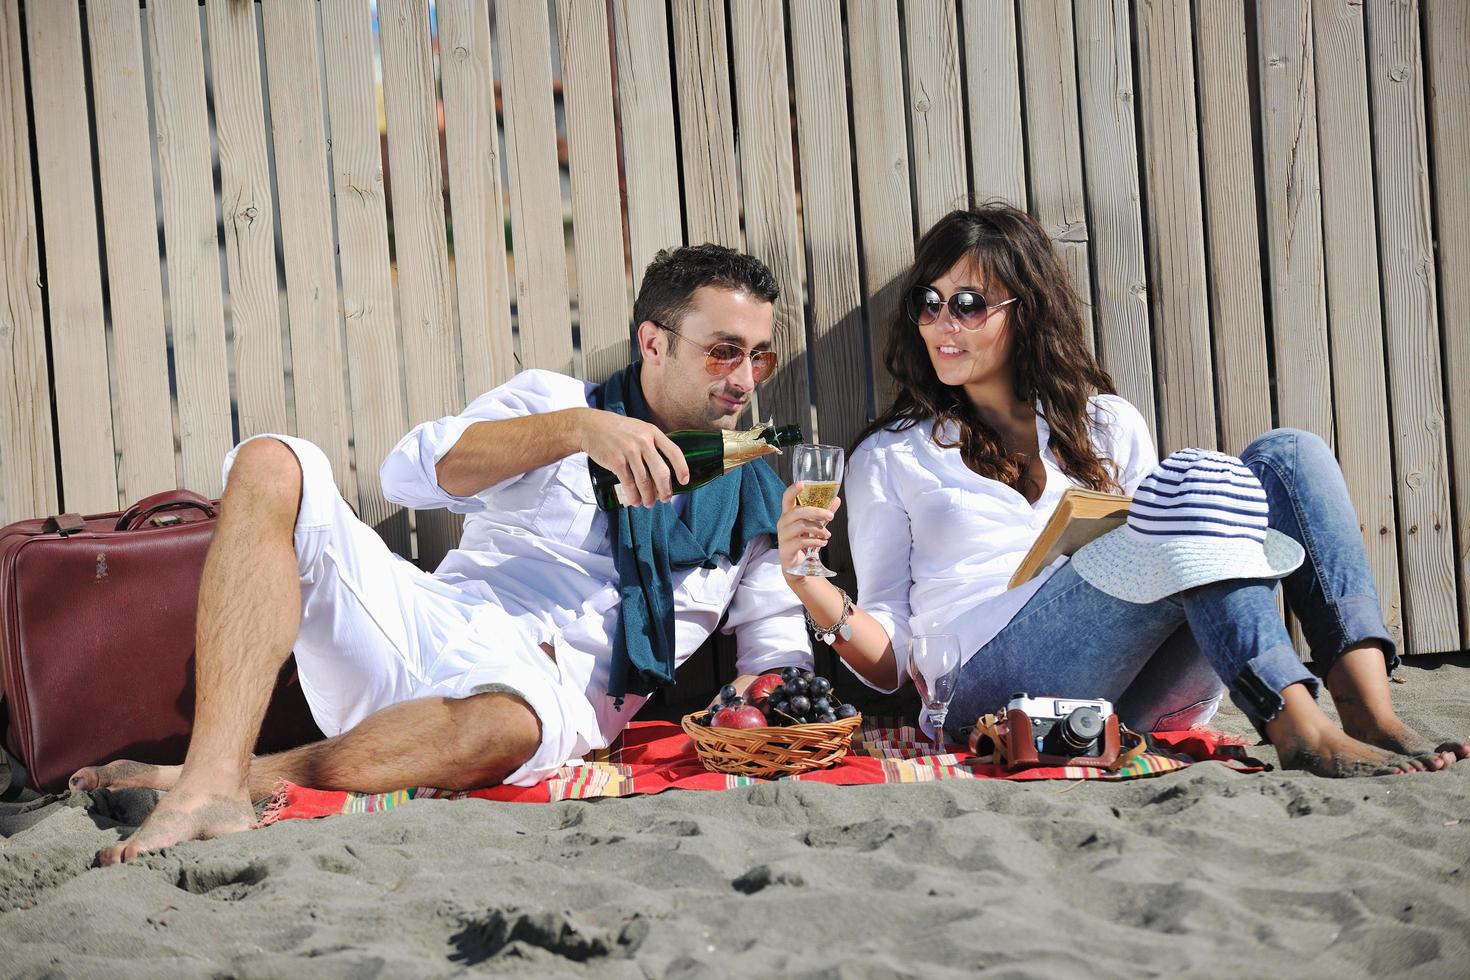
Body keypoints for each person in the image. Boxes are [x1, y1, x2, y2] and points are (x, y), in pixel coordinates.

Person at [77, 244, 813, 864]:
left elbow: (777, 665)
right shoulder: (556, 404)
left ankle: (236, 776)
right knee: (274, 460)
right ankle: (206, 787)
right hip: (427, 623)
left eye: (758, 357)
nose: (743, 381)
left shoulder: (754, 507)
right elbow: (408, 475)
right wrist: (579, 431)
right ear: (654, 342)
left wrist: (808, 588)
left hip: (535, 698)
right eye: (723, 352)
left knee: (508, 725)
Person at [776, 203, 1468, 778]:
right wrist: (809, 583)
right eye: (929, 304)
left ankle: (1369, 711)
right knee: (1193, 490)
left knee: (1291, 456)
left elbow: (1184, 553)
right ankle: (1295, 721)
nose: (942, 324)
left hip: (1137, 692)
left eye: (967, 304)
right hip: (984, 687)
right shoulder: (894, 455)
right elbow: (892, 665)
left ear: (1027, 311)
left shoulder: (1105, 421)